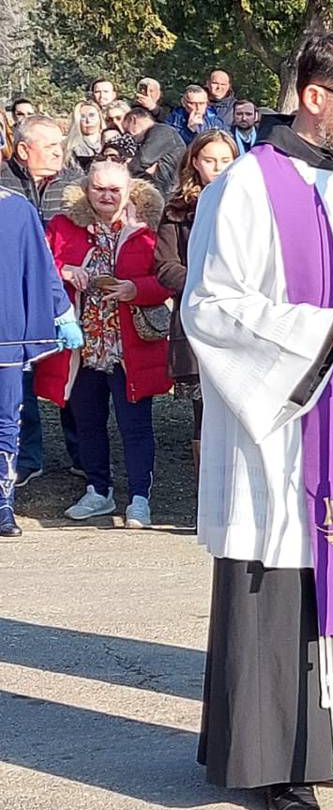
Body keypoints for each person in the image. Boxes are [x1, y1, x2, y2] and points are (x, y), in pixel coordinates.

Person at [183, 28, 333, 810]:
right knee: (283, 583)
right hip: (284, 431)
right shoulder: (247, 187)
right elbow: (211, 308)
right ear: (314, 98)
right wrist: (327, 332)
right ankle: (275, 763)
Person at [37, 159, 173, 527]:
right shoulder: (64, 226)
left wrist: (136, 289)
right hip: (83, 345)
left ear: (129, 190)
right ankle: (98, 489)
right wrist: (65, 271)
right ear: (86, 189)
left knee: (136, 426)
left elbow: (170, 278)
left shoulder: (149, 228)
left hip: (131, 346)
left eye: (115, 189)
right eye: (99, 189)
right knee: (88, 422)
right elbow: (41, 267)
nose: (107, 196)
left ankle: (140, 498)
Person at [153, 129, 240, 469]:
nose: (217, 167)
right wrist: (207, 285)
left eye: (225, 160)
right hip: (198, 319)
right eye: (209, 160)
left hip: (241, 319)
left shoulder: (251, 204)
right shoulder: (178, 209)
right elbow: (165, 266)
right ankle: (206, 499)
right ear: (195, 162)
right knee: (204, 412)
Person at [1, 187, 81, 537]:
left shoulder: (16, 208)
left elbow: (41, 264)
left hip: (6, 330)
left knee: (6, 418)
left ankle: (2, 502)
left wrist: (62, 313)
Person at [1, 113, 83, 218]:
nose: (59, 152)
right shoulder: (2, 182)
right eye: (50, 146)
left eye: (60, 145)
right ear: (23, 150)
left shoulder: (74, 182)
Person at [122, 105, 186, 195]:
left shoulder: (162, 131)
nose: (130, 136)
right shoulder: (157, 134)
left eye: (127, 131)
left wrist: (123, 169)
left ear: (133, 120)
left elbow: (143, 159)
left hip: (166, 190)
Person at [64, 101, 107, 170]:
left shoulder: (108, 140)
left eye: (92, 115)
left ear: (99, 118)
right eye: (83, 117)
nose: (88, 121)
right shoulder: (69, 147)